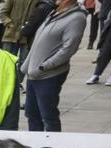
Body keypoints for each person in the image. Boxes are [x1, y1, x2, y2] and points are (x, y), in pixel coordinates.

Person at [21, 0, 86, 131]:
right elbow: (38, 43)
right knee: (32, 114)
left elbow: (68, 49)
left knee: (48, 116)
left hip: (49, 75)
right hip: (34, 73)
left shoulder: (77, 18)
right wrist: (26, 66)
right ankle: (35, 145)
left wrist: (44, 66)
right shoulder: (53, 12)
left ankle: (53, 145)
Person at [0, 0, 38, 77]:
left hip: (27, 36)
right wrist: (10, 24)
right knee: (7, 59)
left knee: (24, 62)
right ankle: (6, 79)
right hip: (11, 34)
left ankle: (18, 82)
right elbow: (3, 13)